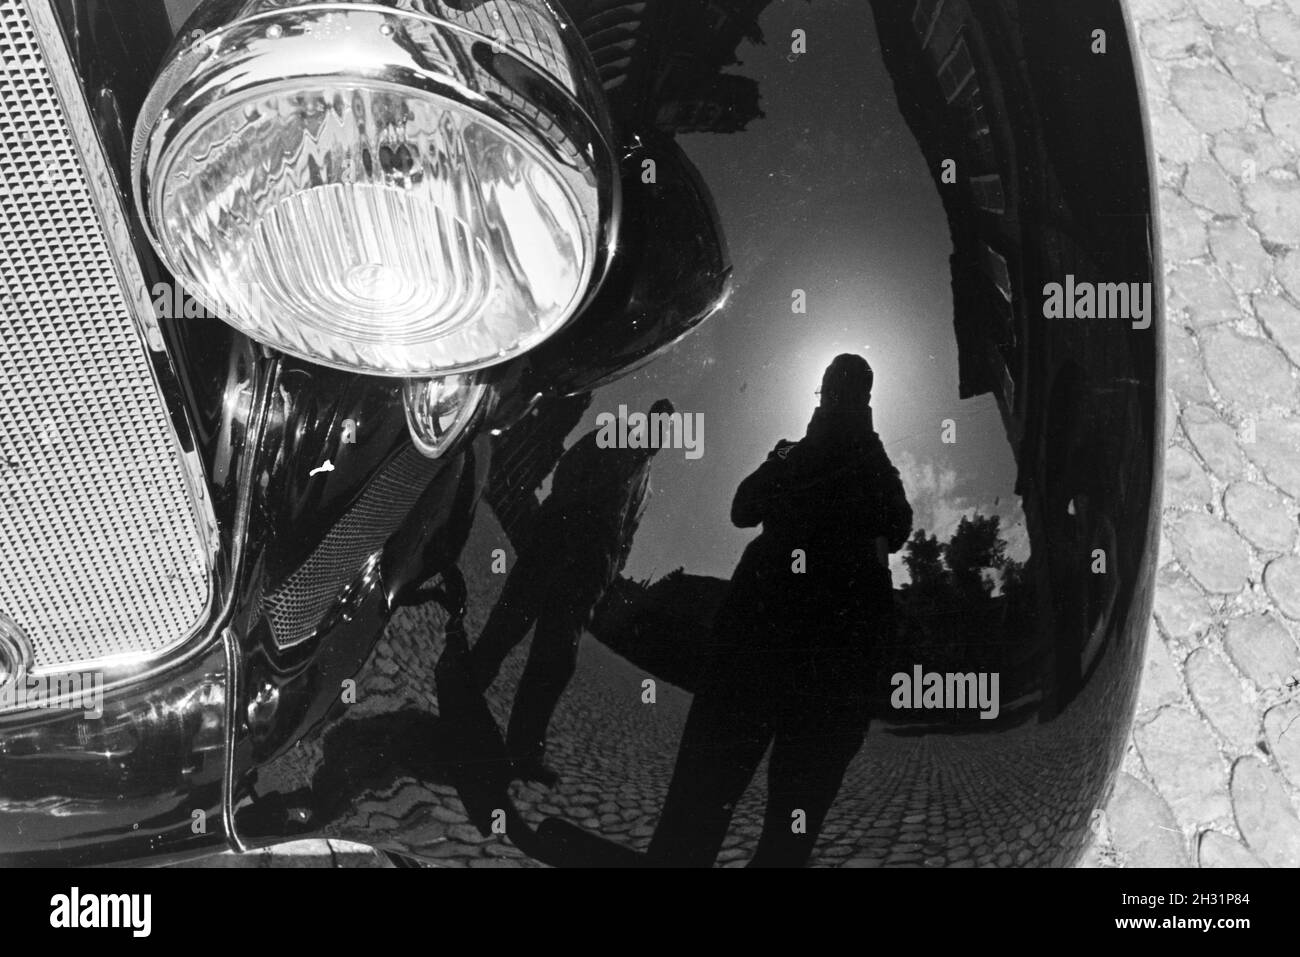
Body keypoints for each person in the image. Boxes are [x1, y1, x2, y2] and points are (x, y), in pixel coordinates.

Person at [648, 354, 911, 867]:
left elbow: (896, 527)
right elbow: (743, 507)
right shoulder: (818, 456)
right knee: (727, 791)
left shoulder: (861, 463)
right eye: (834, 390)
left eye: (838, 391)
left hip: (811, 637)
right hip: (789, 632)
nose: (832, 400)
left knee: (775, 805)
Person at [471, 399, 673, 786]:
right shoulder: (615, 436)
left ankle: (524, 751)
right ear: (649, 419)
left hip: (592, 566)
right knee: (511, 620)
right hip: (561, 536)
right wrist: (570, 511)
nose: (660, 433)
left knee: (558, 655)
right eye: (659, 422)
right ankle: (465, 693)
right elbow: (571, 465)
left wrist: (613, 566)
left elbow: (629, 530)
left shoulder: (648, 485)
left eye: (667, 429)